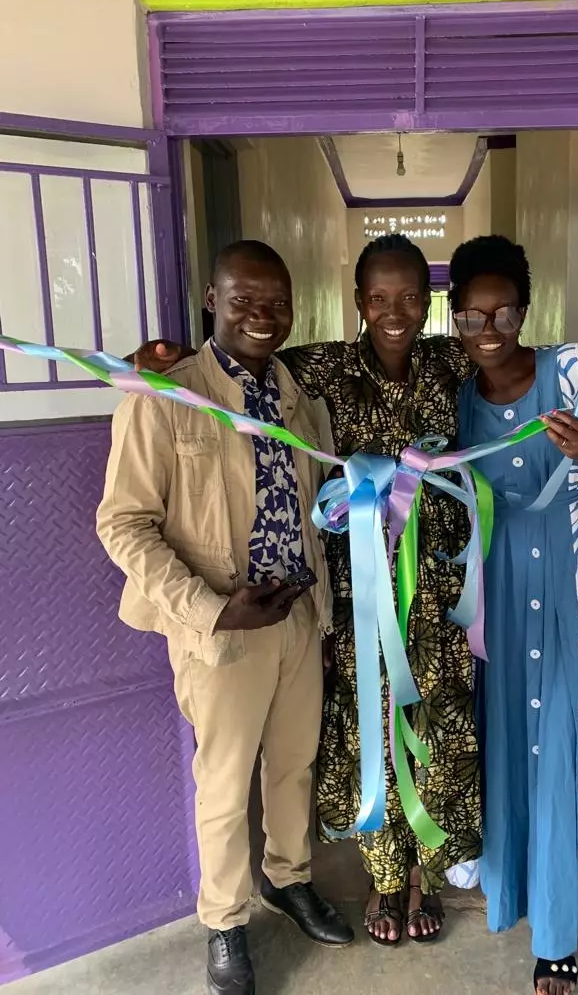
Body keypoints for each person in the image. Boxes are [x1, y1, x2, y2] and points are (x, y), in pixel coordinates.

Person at [132, 234, 483, 947]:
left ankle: (371, 879)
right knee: (341, 746)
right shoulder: (306, 372)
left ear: (431, 303)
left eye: (411, 297)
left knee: (402, 742)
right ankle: (263, 915)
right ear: (357, 303)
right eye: (379, 297)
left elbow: (519, 359)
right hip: (312, 607)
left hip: (389, 600)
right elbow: (129, 517)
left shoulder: (435, 364)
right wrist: (157, 361)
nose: (394, 312)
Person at [98, 240, 354, 995]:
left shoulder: (301, 399)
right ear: (212, 300)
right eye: (244, 300)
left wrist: (323, 615)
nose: (262, 316)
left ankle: (289, 879)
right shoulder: (164, 396)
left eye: (277, 303)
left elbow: (314, 513)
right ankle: (224, 921)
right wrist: (210, 610)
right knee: (223, 780)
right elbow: (123, 524)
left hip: (297, 618)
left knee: (294, 765)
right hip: (220, 630)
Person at [450, 235, 578, 994]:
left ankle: (559, 937)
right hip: (495, 596)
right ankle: (512, 895)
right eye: (473, 316)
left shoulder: (573, 369)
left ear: (525, 310)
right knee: (506, 741)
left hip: (577, 597)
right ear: (456, 319)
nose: (489, 329)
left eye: (503, 312)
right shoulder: (459, 396)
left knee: (567, 748)